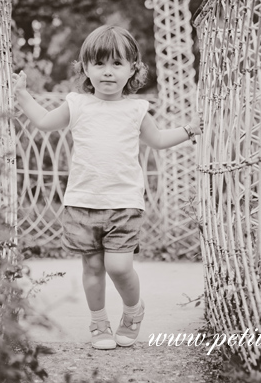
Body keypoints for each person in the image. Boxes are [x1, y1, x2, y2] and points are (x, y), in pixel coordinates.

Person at [12, 25, 202, 350]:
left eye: (117, 64)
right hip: (82, 202)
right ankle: (99, 323)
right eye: (99, 64)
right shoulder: (77, 105)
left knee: (119, 267)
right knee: (93, 268)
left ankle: (133, 311)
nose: (108, 72)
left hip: (125, 203)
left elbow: (157, 141)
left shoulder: (136, 109)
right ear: (85, 68)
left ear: (133, 69)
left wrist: (189, 129)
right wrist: (22, 95)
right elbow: (43, 122)